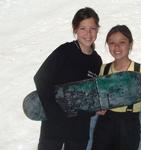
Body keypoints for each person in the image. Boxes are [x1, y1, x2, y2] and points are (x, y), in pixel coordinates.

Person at [34, 7, 102, 150]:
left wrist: (95, 109)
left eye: (92, 28)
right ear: (75, 29)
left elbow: (90, 95)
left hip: (79, 130)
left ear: (98, 30)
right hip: (54, 125)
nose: (88, 34)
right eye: (83, 28)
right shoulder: (64, 51)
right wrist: (54, 114)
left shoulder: (96, 61)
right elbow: (41, 78)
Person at [91, 25, 141, 150]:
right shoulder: (103, 69)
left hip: (129, 125)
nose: (117, 47)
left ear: (130, 44)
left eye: (122, 42)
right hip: (105, 123)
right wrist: (98, 107)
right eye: (112, 43)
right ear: (107, 45)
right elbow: (99, 98)